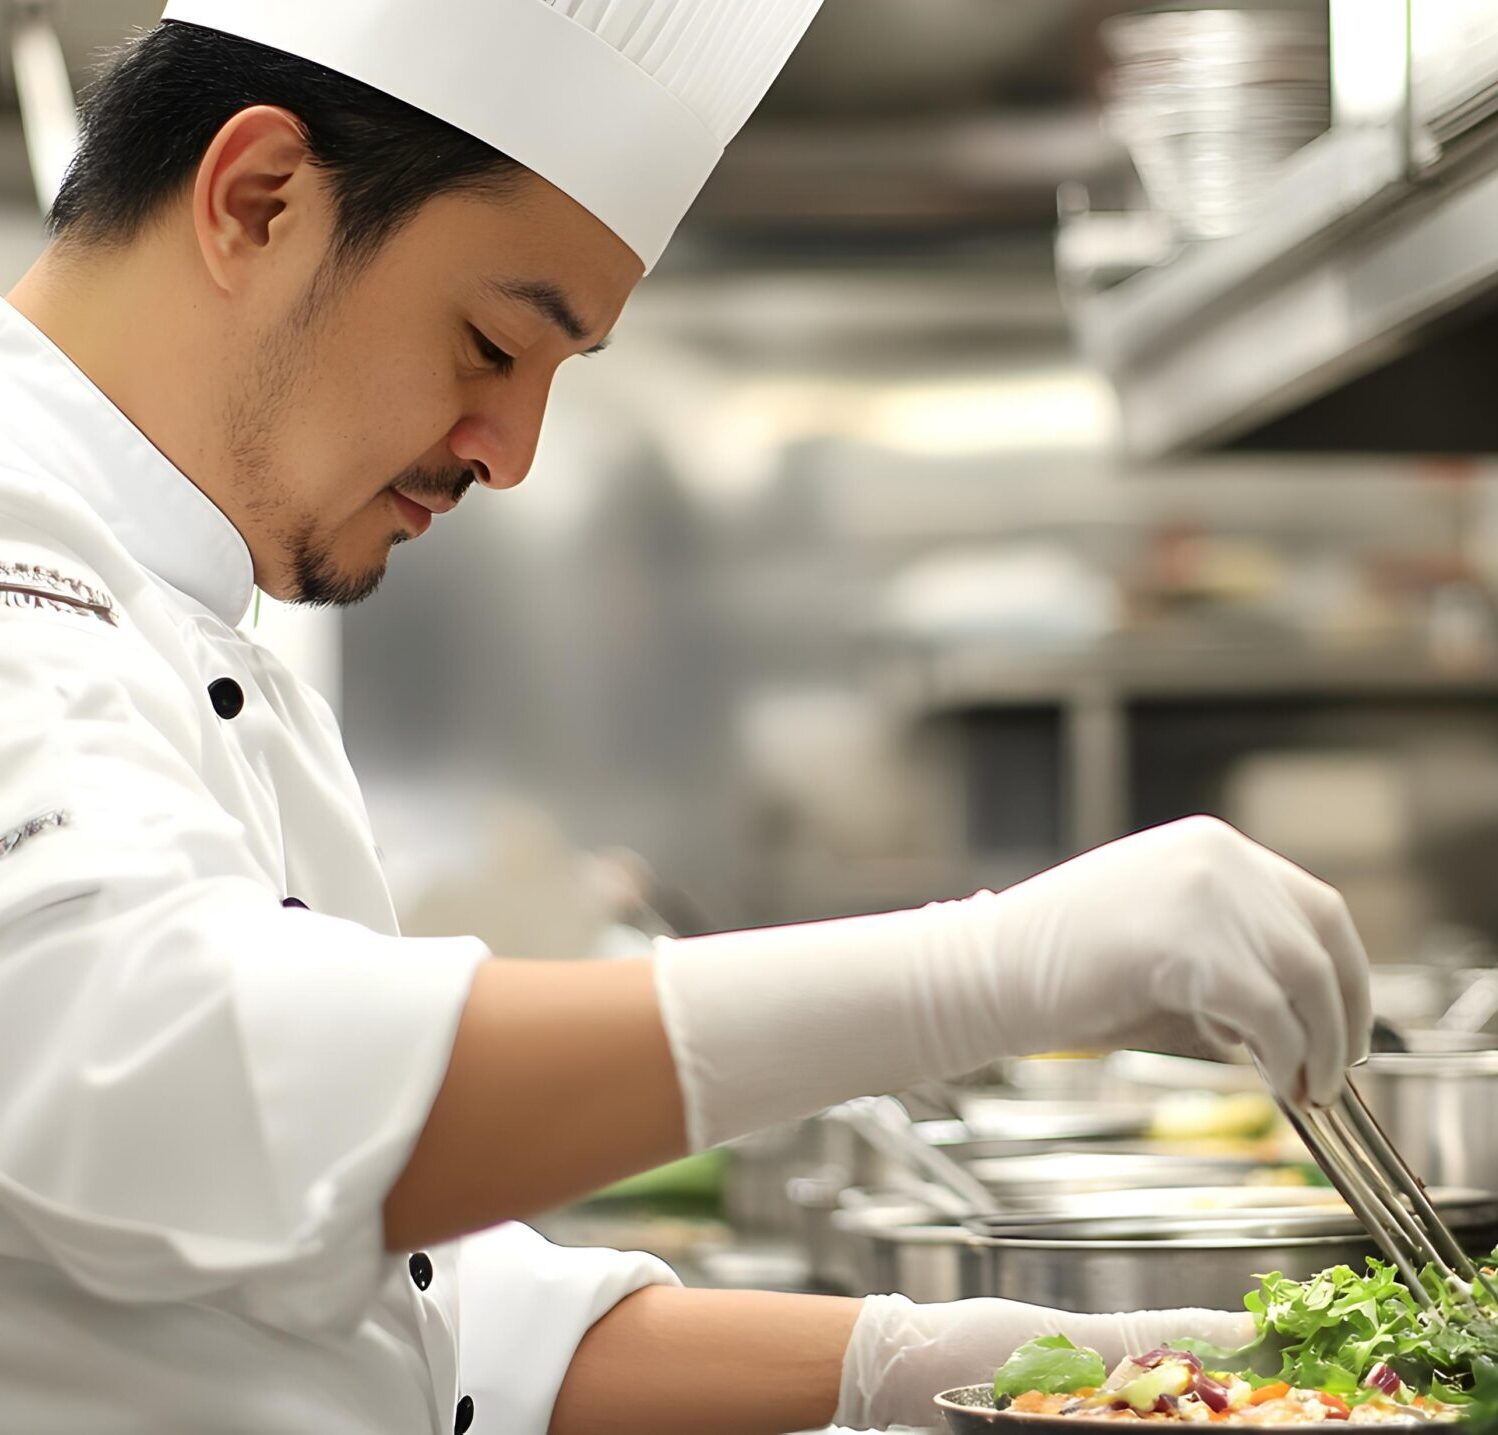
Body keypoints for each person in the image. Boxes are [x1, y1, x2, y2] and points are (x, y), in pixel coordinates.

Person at [0, 3, 1376, 1432]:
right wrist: (980, 971)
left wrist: (921, 1362)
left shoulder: (194, 612)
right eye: (490, 344)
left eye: (550, 376)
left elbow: (408, 1316)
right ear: (259, 199)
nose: (513, 453)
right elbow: (181, 1088)